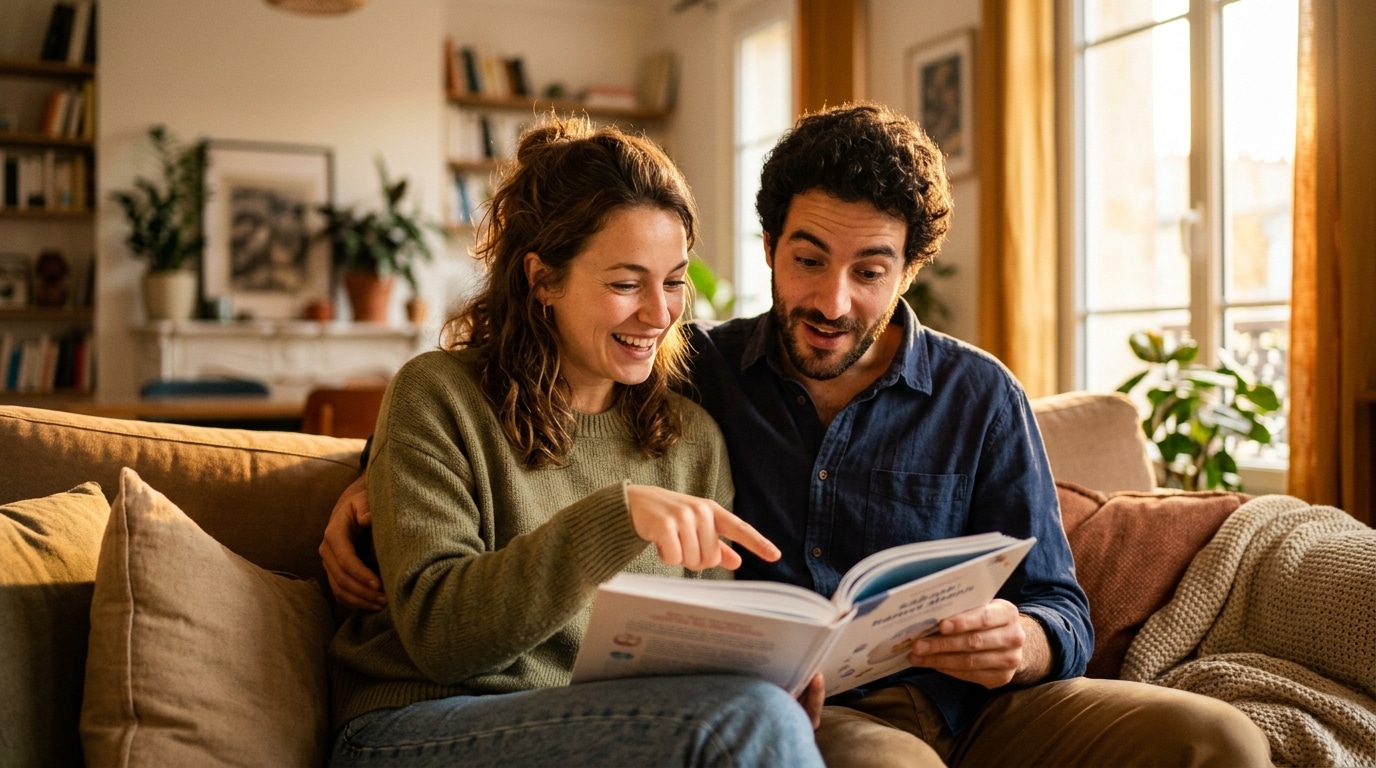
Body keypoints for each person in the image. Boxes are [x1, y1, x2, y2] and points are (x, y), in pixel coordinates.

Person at [323, 103, 1270, 767]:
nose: (832, 299)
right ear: (771, 247)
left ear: (909, 270)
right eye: (808, 259)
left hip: (959, 707)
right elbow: (468, 462)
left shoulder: (693, 416)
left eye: (870, 270)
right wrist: (364, 487)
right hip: (473, 716)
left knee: (1219, 740)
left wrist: (1024, 639)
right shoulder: (694, 375)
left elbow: (1060, 602)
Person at [324, 116, 825, 768]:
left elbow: (697, 654)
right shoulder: (438, 395)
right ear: (542, 281)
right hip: (417, 724)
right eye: (625, 283)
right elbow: (440, 636)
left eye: (673, 281)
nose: (659, 312)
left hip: (599, 730)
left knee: (757, 714)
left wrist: (768, 689)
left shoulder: (691, 439)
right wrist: (614, 518)